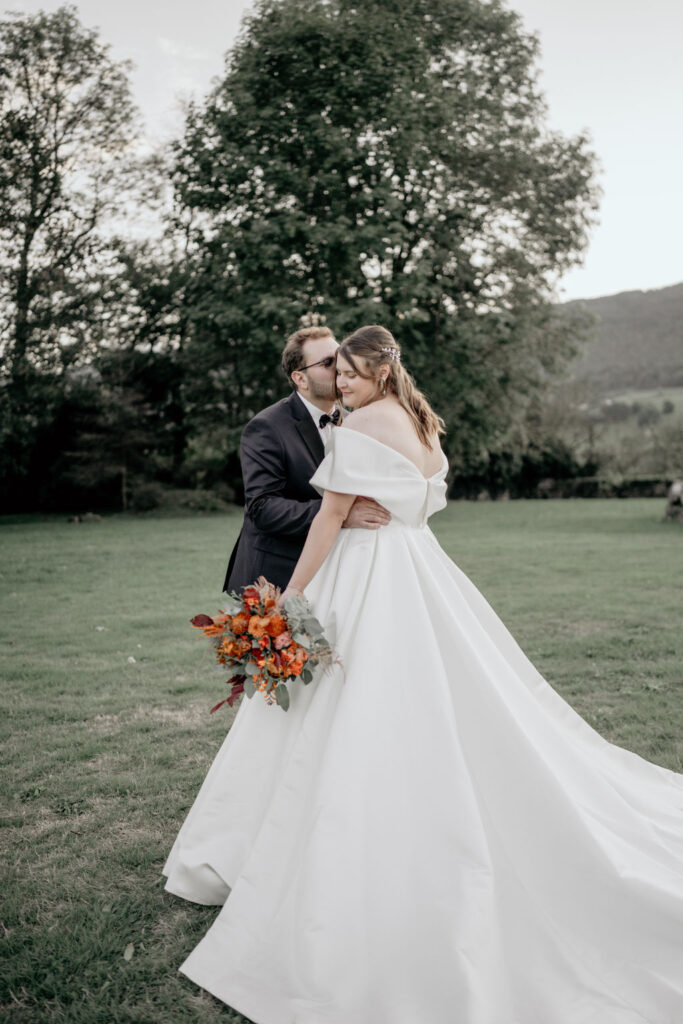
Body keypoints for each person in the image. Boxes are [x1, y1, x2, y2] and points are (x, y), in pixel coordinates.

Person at [165, 326, 683, 1024]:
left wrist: (289, 599)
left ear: (378, 370)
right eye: (334, 373)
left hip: (367, 577)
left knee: (344, 702)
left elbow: (329, 519)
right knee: (420, 695)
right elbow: (424, 503)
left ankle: (292, 847)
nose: (340, 383)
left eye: (349, 372)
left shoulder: (356, 425)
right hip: (415, 569)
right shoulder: (420, 421)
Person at [223, 324, 390, 593]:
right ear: (300, 379)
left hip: (338, 572)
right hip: (276, 577)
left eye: (341, 357)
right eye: (328, 362)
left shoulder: (356, 423)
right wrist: (339, 514)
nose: (340, 367)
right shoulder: (266, 427)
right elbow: (263, 508)